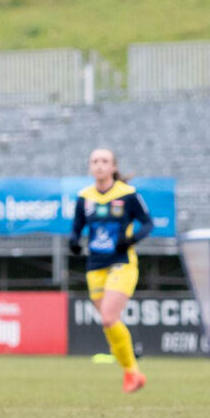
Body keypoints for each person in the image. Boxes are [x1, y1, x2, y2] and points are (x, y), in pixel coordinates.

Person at [69, 148, 153, 393]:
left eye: (104, 161)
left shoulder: (128, 194)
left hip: (122, 262)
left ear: (113, 167)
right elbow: (77, 227)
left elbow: (148, 223)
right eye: (94, 161)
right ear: (90, 167)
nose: (99, 165)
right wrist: (74, 241)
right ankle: (133, 373)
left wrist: (131, 239)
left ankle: (132, 371)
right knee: (109, 323)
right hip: (94, 266)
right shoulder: (84, 197)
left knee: (108, 317)